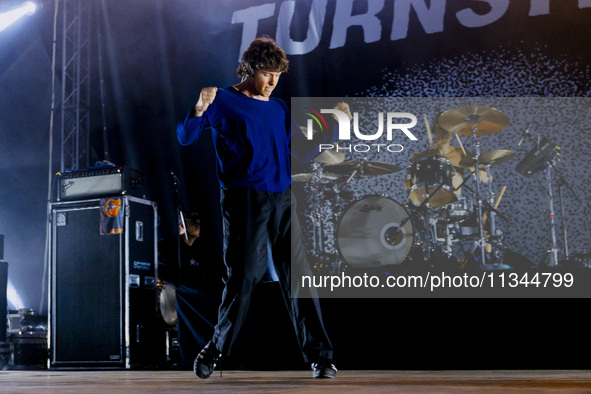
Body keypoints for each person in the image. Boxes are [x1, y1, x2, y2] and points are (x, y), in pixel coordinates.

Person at [176, 36, 343, 379]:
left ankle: (321, 357)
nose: (273, 82)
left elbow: (298, 154)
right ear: (250, 68)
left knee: (299, 277)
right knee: (244, 278)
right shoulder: (222, 99)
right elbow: (185, 137)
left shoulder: (278, 108)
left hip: (282, 198)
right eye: (268, 74)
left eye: (278, 76)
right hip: (244, 200)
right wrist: (197, 108)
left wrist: (335, 126)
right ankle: (216, 348)